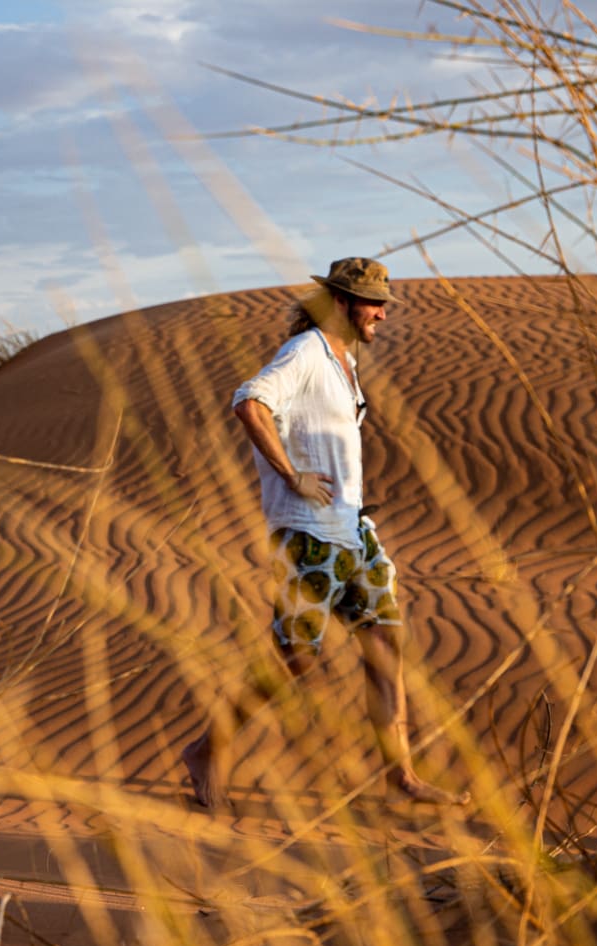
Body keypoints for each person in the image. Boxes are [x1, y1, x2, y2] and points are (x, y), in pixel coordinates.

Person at [181, 256, 466, 810]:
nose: (382, 314)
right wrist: (292, 475)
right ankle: (206, 750)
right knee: (296, 657)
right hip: (307, 532)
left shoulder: (344, 362)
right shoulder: (307, 352)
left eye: (384, 304)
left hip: (355, 532)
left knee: (384, 643)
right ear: (340, 302)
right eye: (374, 303)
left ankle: (401, 777)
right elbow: (249, 401)